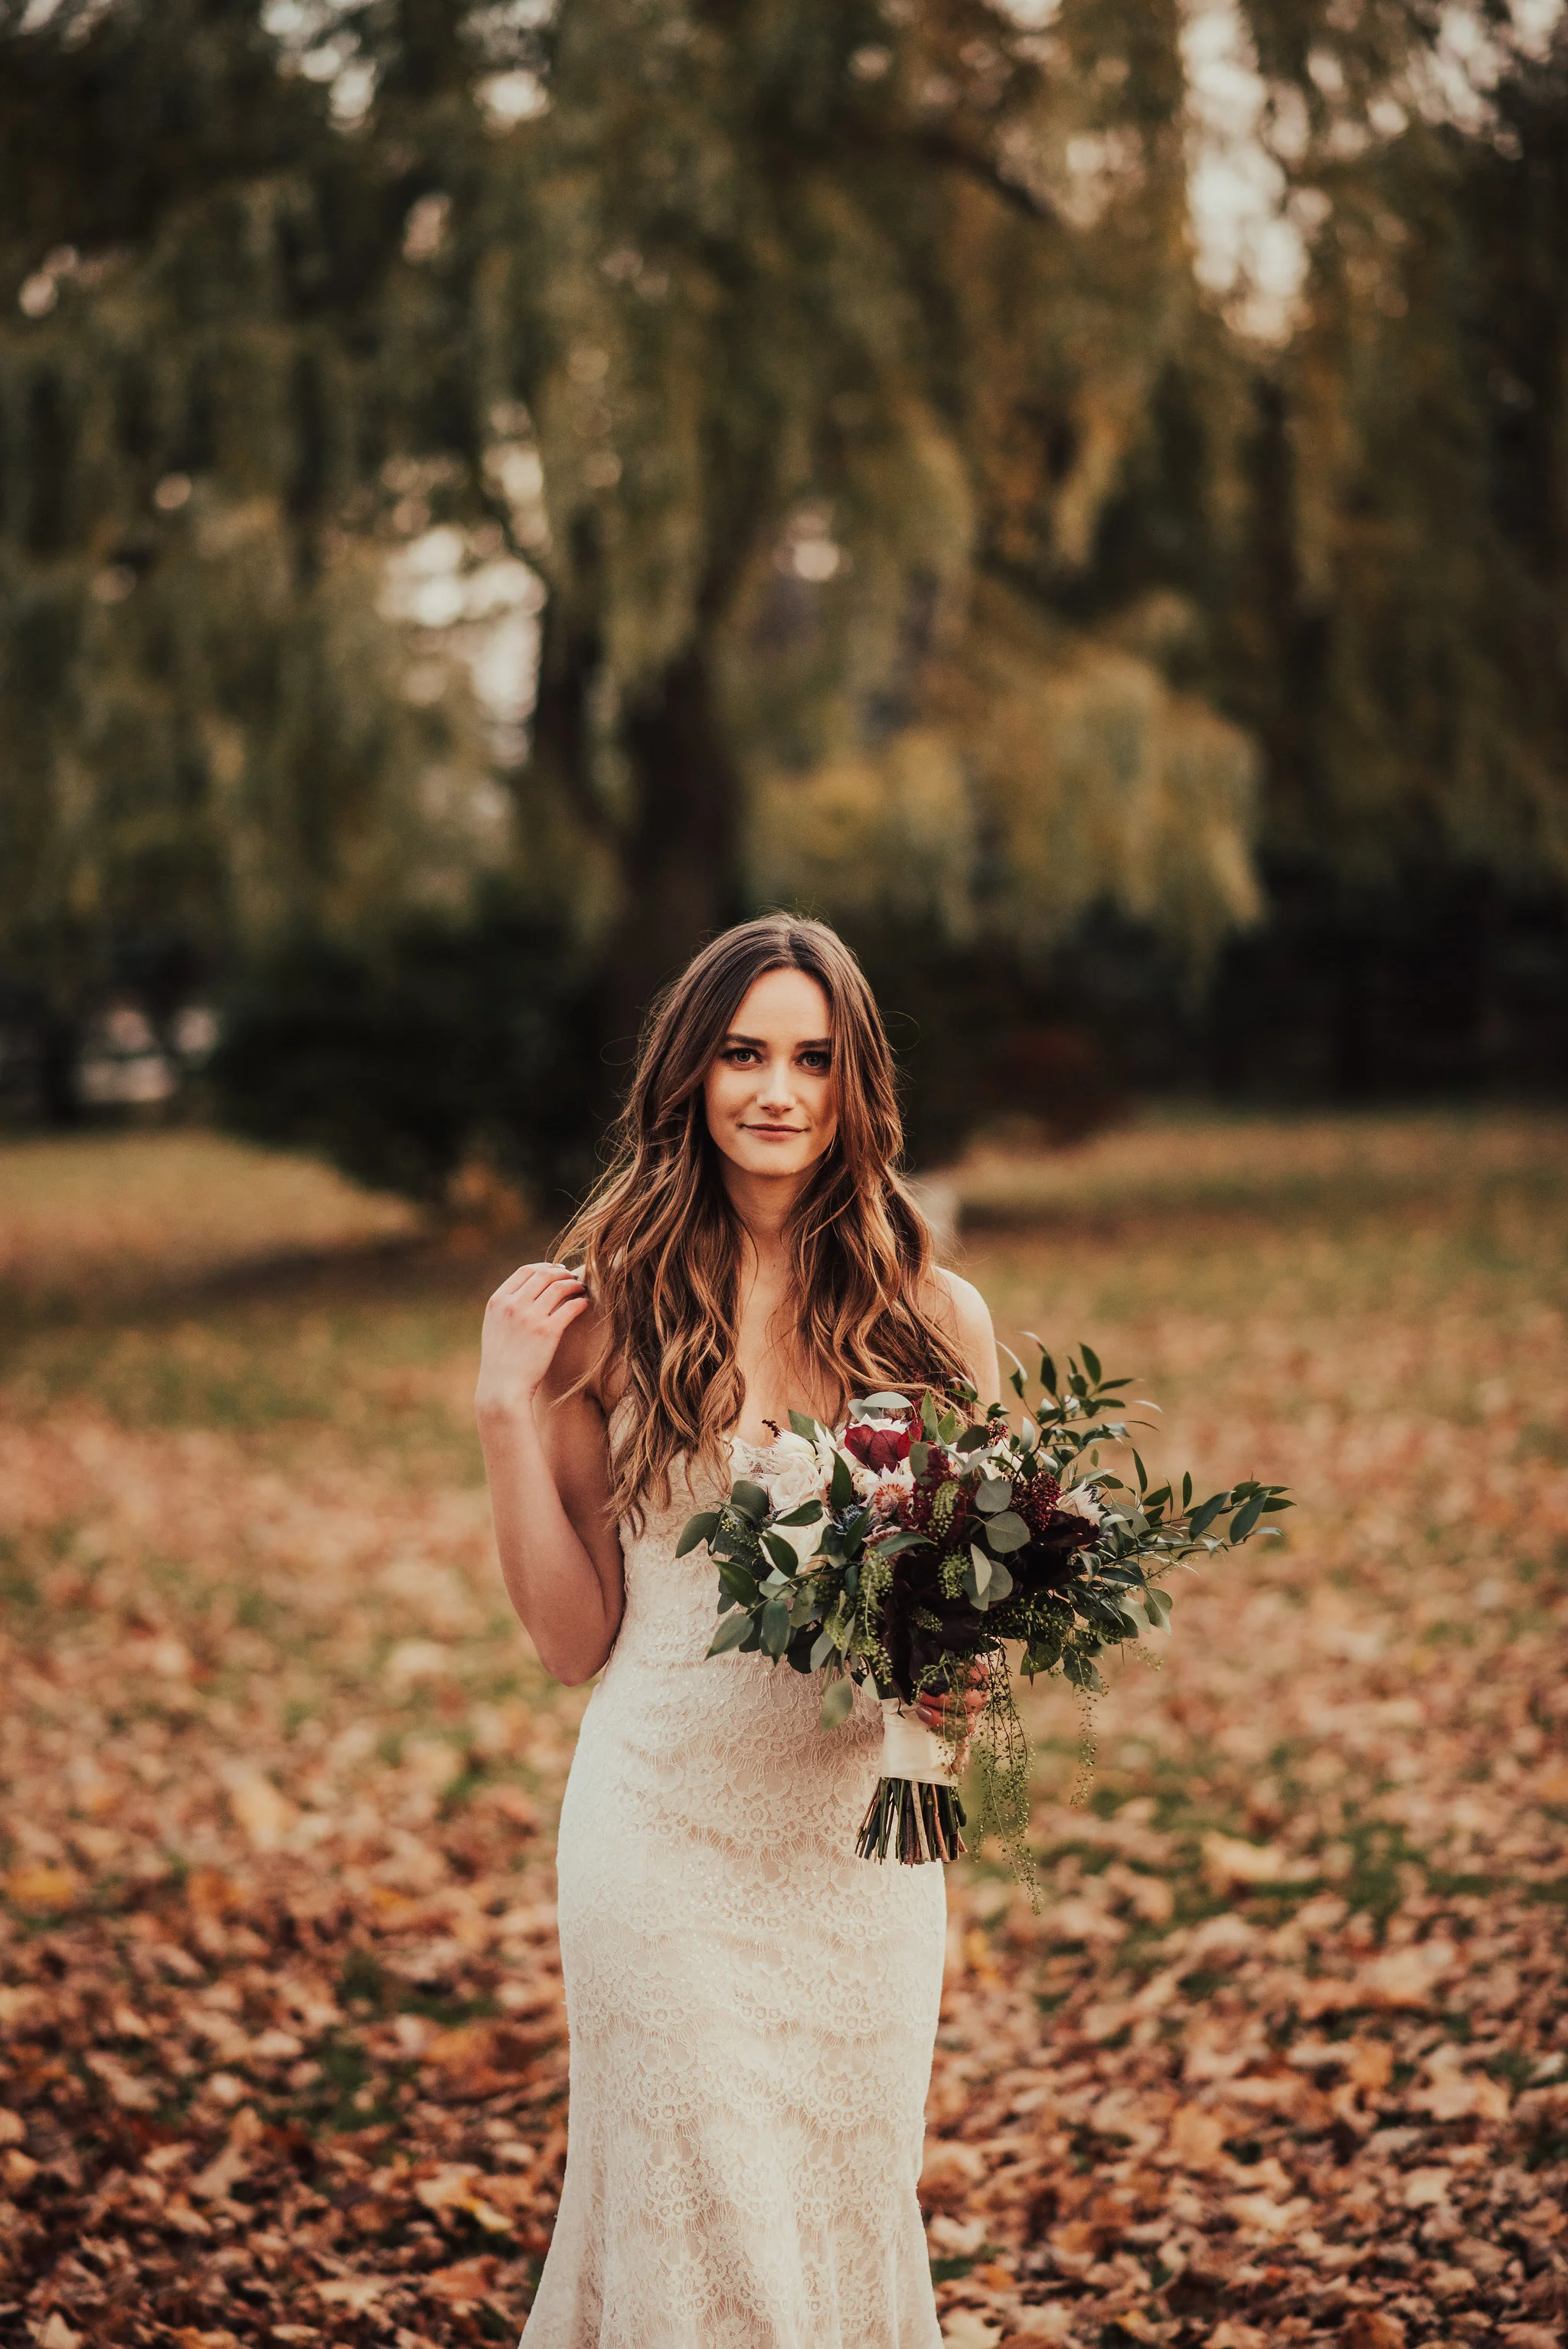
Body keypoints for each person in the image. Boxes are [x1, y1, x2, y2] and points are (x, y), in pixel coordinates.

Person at [475, 915, 1000, 2349]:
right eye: (742, 1054)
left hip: (855, 1858)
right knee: (700, 2234)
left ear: (855, 1084)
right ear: (690, 1075)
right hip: (663, 1840)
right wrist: (506, 1413)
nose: (777, 1090)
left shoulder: (934, 1316)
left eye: (812, 1060)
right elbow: (572, 1642)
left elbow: (967, 1607)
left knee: (836, 2212)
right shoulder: (606, 1315)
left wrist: (958, 1676)